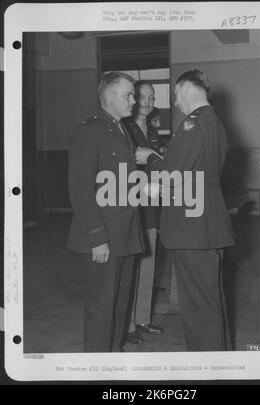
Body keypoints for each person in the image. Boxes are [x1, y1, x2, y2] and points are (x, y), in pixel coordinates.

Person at [136, 70, 234, 351]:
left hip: (192, 228)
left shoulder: (193, 124)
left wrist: (150, 157)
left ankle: (206, 369)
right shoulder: (216, 123)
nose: (176, 102)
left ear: (186, 89)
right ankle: (220, 364)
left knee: (198, 309)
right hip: (209, 223)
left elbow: (169, 175)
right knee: (211, 302)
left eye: (176, 95)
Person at [67, 72, 144, 352]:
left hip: (124, 233)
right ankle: (97, 366)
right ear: (110, 96)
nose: (133, 101)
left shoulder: (122, 128)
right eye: (128, 95)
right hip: (104, 236)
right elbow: (81, 189)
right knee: (101, 307)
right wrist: (96, 237)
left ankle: (112, 356)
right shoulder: (88, 130)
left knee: (120, 304)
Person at [122, 81, 163, 344]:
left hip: (152, 201)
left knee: (149, 262)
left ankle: (143, 319)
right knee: (132, 265)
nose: (147, 102)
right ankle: (127, 326)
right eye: (142, 97)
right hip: (133, 202)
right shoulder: (125, 127)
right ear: (133, 99)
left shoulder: (153, 127)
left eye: (151, 97)